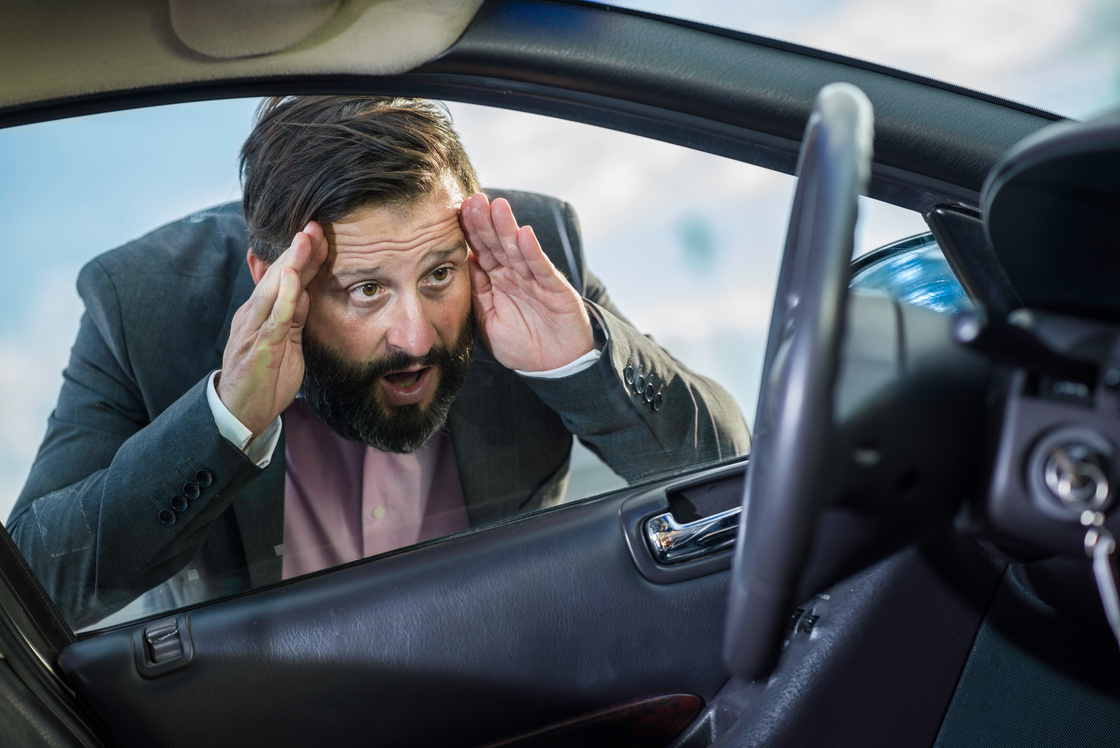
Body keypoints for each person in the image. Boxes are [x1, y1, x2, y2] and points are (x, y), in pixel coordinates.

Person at [7, 96, 749, 626]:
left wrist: (581, 361)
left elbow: (735, 473)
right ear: (278, 284)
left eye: (437, 274)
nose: (416, 336)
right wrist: (226, 420)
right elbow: (37, 585)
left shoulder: (519, 253)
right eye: (365, 290)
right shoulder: (141, 305)